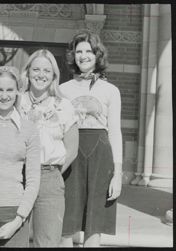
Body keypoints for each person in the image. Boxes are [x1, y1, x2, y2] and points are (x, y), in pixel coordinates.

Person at [59, 31, 123, 247]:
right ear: (73, 56)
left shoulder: (111, 91)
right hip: (71, 152)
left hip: (100, 153)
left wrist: (118, 174)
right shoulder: (62, 90)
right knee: (66, 223)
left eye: (88, 51)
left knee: (94, 223)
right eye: (78, 51)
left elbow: (115, 132)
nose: (83, 56)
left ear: (97, 55)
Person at [19, 49, 79, 247]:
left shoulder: (64, 106)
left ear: (54, 75)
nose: (41, 75)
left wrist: (51, 175)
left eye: (47, 70)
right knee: (14, 239)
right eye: (36, 69)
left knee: (46, 242)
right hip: (17, 177)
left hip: (49, 176)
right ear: (27, 72)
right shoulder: (16, 101)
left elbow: (72, 149)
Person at [0, 66, 41, 247]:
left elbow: (33, 180)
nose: (4, 96)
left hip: (15, 211)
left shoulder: (29, 129)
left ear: (18, 92)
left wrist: (18, 220)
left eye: (10, 90)